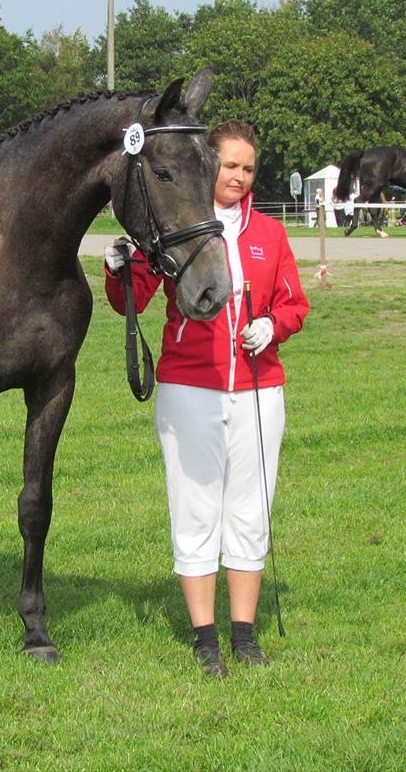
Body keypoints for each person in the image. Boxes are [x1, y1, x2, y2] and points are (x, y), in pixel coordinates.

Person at [103, 120, 309, 678]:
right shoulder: (172, 227)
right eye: (229, 166)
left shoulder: (270, 233)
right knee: (195, 513)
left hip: (259, 392)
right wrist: (118, 267)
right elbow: (132, 301)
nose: (238, 177)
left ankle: (244, 635)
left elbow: (295, 304)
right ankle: (205, 639)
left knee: (250, 513)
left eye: (247, 168)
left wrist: (273, 326)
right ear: (206, 165)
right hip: (189, 389)